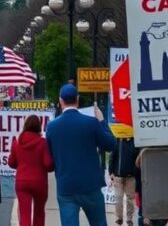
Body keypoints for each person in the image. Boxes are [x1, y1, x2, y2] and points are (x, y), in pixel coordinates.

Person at [46, 84, 116, 226]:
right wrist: (102, 121)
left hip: (66, 186)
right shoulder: (91, 123)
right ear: (77, 99)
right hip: (90, 185)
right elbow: (111, 144)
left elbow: (50, 159)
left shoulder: (52, 127)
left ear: (60, 101)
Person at [8, 114, 54, 226]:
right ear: (39, 126)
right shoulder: (43, 143)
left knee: (24, 214)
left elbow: (11, 163)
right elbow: (48, 164)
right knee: (39, 212)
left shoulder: (17, 142)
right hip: (39, 182)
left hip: (22, 181)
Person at [110, 137, 139, 226]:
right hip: (118, 176)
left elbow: (137, 157)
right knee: (118, 198)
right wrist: (111, 172)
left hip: (130, 177)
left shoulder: (135, 142)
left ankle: (129, 219)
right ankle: (119, 218)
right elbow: (112, 157)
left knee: (130, 199)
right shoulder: (118, 141)